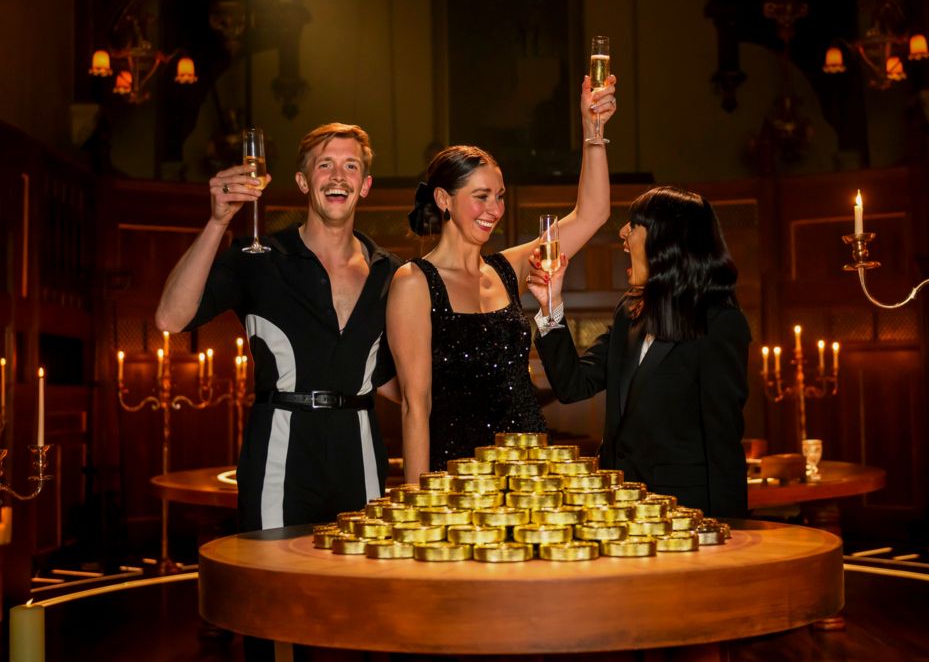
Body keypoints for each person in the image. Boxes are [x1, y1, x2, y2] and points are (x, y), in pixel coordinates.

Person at [155, 123, 402, 533]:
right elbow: (171, 318)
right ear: (304, 182)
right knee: (275, 584)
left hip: (358, 451)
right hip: (278, 448)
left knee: (357, 585)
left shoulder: (390, 273)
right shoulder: (260, 258)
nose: (339, 176)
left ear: (365, 185)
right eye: (325, 165)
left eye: (350, 166)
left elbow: (394, 379)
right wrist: (218, 222)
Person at [387, 75, 618, 480]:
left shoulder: (507, 268)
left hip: (530, 472)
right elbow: (415, 405)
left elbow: (593, 213)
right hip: (456, 481)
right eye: (481, 196)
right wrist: (417, 504)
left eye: (500, 196)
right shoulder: (414, 282)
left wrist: (593, 130)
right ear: (444, 200)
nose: (494, 209)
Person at [528, 187, 750, 518]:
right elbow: (573, 385)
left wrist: (730, 529)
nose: (622, 232)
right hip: (619, 511)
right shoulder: (629, 312)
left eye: (634, 224)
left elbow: (723, 442)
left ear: (665, 242)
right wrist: (550, 305)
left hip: (686, 516)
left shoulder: (720, 323)